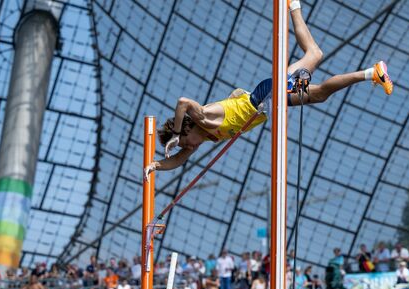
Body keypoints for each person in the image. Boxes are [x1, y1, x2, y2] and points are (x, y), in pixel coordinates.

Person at [144, 0, 393, 178]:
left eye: (186, 142)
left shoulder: (203, 117)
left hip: (266, 96)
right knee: (316, 60)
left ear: (187, 128)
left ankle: (372, 72)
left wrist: (176, 134)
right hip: (268, 100)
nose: (189, 147)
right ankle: (294, 6)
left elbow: (183, 101)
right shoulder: (203, 138)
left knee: (317, 87)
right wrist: (155, 165)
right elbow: (176, 161)